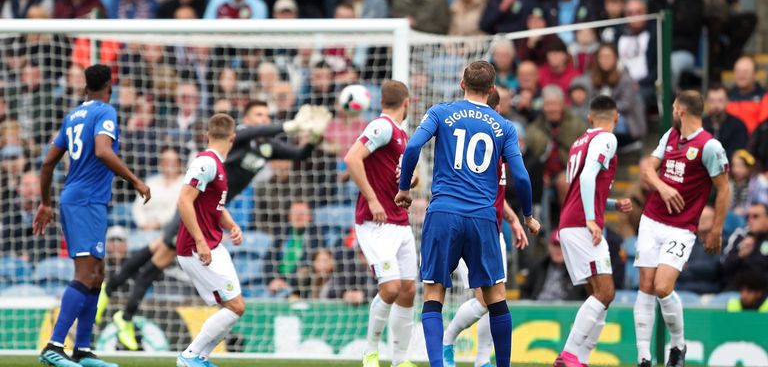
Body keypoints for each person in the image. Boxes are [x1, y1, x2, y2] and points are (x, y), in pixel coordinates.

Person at [96, 101, 330, 349]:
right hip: (198, 206)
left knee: (156, 253)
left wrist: (314, 137)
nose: (264, 119)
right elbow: (248, 133)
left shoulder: (266, 147)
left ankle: (111, 292)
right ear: (245, 120)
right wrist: (288, 125)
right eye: (258, 115)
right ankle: (123, 312)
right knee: (160, 256)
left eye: (267, 115)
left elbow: (300, 155)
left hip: (213, 210)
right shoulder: (236, 138)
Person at [395, 61, 539, 367]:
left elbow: (412, 148)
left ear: (462, 84)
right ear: (491, 90)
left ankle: (437, 364)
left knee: (434, 292)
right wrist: (527, 215)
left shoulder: (440, 112)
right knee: (495, 296)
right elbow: (522, 177)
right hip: (483, 217)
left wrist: (405, 188)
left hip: (444, 212)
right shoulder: (504, 126)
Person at [33, 64, 151, 367]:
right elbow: (102, 151)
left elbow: (48, 164)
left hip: (85, 201)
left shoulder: (73, 116)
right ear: (109, 86)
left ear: (85, 87)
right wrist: (135, 180)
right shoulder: (105, 112)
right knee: (85, 274)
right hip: (84, 202)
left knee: (97, 275)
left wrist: (45, 203)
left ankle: (83, 350)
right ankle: (54, 345)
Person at [442, 90, 538, 367]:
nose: (508, 106)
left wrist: (511, 219)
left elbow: (497, 190)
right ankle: (448, 340)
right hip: (470, 227)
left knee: (495, 300)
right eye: (504, 102)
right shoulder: (484, 138)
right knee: (486, 300)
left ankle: (482, 360)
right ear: (492, 107)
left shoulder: (499, 140)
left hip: (492, 230)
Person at [634, 90, 730, 367]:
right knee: (645, 286)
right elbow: (648, 170)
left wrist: (716, 229)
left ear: (681, 111)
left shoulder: (709, 146)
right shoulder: (671, 136)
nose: (673, 110)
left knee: (663, 287)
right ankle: (643, 357)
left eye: (674, 106)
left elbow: (724, 189)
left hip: (681, 227)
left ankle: (678, 344)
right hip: (652, 219)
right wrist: (663, 188)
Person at [554, 95, 633, 367]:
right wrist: (591, 219)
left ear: (589, 117)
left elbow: (578, 187)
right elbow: (587, 178)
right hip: (581, 224)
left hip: (570, 221)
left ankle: (581, 358)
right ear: (617, 117)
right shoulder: (607, 139)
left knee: (599, 295)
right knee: (605, 292)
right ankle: (569, 353)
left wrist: (610, 203)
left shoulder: (579, 143)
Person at [343, 80, 417, 367]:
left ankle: (401, 360)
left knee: (409, 290)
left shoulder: (402, 134)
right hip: (376, 221)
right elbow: (352, 158)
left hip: (400, 222)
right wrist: (372, 199)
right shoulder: (383, 126)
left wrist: (410, 182)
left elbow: (412, 177)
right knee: (390, 288)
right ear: (407, 103)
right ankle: (370, 351)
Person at [174, 114, 244, 367]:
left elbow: (214, 205)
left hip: (213, 244)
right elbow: (184, 200)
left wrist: (231, 223)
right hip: (197, 247)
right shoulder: (206, 162)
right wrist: (201, 242)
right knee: (235, 306)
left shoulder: (217, 164)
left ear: (207, 135)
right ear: (233, 137)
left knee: (234, 305)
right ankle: (190, 356)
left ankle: (200, 357)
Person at [649, 0, 704, 88]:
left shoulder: (693, 0)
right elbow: (652, 27)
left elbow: (690, 27)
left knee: (669, 66)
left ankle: (667, 103)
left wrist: (669, 23)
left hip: (683, 51)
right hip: (657, 51)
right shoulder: (655, 1)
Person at [722, 202, 768, 287]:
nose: (750, 220)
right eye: (748, 216)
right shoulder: (740, 235)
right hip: (737, 290)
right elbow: (724, 267)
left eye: (755, 216)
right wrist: (740, 256)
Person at [703, 85, 748, 161]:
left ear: (727, 101)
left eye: (720, 100)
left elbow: (738, 155)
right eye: (712, 101)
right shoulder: (700, 125)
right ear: (707, 102)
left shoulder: (738, 126)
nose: (716, 105)